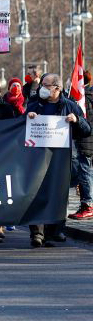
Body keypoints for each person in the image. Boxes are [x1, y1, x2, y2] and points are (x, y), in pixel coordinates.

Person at [26, 73, 91, 247]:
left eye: (46, 85)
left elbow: (86, 130)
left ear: (57, 88)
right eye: (42, 85)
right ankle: (37, 234)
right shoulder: (34, 104)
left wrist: (76, 120)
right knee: (37, 194)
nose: (42, 88)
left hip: (61, 159)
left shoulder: (70, 106)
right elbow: (20, 126)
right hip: (38, 157)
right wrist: (28, 117)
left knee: (58, 195)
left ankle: (53, 232)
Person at [69, 71, 93, 221]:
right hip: (85, 138)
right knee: (83, 171)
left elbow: (85, 121)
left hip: (85, 138)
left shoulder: (84, 99)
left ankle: (87, 205)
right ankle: (85, 204)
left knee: (84, 171)